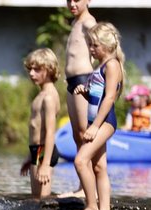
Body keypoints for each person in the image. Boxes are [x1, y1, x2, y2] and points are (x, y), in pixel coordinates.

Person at [68, 22, 123, 210]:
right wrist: (85, 90)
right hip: (97, 121)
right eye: (90, 44)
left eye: (94, 45)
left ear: (107, 45)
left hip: (104, 122)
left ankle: (92, 207)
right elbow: (97, 93)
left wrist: (95, 126)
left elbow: (109, 98)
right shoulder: (101, 66)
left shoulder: (112, 65)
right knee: (99, 167)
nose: (91, 49)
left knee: (80, 161)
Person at [58, 0, 97, 199]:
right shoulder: (75, 23)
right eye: (68, 0)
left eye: (77, 0)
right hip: (72, 81)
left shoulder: (89, 22)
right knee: (76, 135)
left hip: (83, 80)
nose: (72, 3)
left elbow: (105, 46)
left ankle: (87, 190)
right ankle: (82, 185)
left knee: (84, 134)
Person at [19, 48, 61, 199]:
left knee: (42, 200)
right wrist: (29, 156)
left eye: (36, 70)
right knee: (35, 198)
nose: (31, 73)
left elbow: (50, 132)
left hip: (44, 152)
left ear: (49, 70)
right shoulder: (41, 94)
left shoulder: (49, 97)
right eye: (30, 69)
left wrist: (45, 164)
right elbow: (36, 130)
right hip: (36, 151)